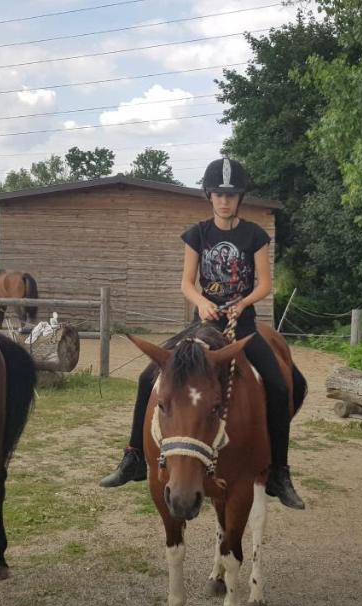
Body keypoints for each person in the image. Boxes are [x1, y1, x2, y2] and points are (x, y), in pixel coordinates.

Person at [97, 158, 304, 509]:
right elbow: (186, 282)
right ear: (209, 196)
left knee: (284, 384)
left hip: (244, 323)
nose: (225, 201)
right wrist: (203, 302)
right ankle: (133, 456)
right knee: (149, 376)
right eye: (219, 194)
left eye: (232, 195)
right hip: (203, 323)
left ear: (240, 198)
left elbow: (265, 284)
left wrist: (243, 303)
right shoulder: (197, 234)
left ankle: (279, 472)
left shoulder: (255, 235)